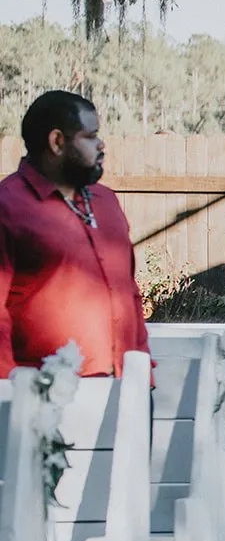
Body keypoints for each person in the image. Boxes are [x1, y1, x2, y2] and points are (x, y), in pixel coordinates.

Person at [1, 91, 149, 378]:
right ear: (57, 142)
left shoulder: (106, 201)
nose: (101, 144)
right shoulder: (8, 206)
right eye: (91, 136)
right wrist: (9, 398)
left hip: (128, 388)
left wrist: (145, 376)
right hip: (45, 400)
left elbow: (129, 293)